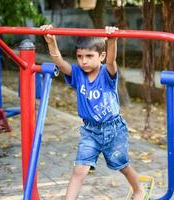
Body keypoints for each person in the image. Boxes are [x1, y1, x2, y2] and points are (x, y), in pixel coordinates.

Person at [40, 24, 144, 200]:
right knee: (79, 170)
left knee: (122, 165)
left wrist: (112, 40)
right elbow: (59, 62)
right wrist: (51, 41)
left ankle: (138, 189)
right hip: (90, 131)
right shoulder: (77, 74)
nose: (83, 61)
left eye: (89, 56)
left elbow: (111, 60)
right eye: (80, 56)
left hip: (113, 130)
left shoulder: (107, 73)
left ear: (101, 56)